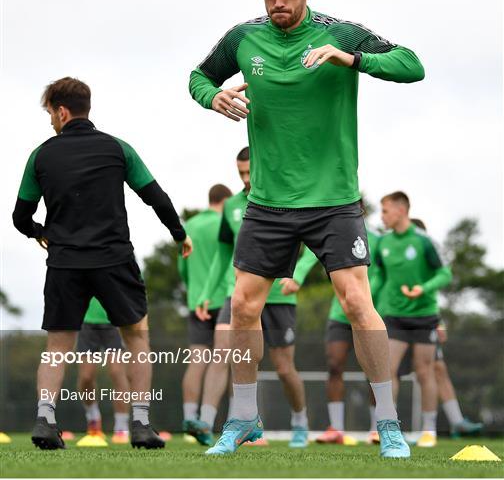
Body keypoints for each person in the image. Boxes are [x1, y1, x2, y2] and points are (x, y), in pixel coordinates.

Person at [189, 0, 424, 457]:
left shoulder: (339, 32)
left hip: (333, 199)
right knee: (243, 306)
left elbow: (412, 65)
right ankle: (244, 419)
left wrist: (352, 59)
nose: (277, 2)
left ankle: (388, 425)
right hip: (268, 203)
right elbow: (198, 77)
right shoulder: (243, 36)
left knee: (358, 302)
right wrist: (214, 97)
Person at [12, 77, 192, 450]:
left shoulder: (41, 155)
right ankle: (141, 424)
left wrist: (39, 232)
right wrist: (179, 234)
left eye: (49, 113)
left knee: (57, 346)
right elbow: (155, 197)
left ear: (62, 111)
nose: (50, 121)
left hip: (64, 262)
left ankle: (46, 420)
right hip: (114, 260)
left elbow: (19, 216)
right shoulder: (117, 148)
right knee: (136, 338)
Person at [193, 147, 318, 449]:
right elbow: (223, 255)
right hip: (238, 295)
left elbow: (315, 240)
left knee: (284, 367)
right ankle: (207, 423)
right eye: (241, 174)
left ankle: (300, 422)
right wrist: (206, 293)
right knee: (225, 353)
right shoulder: (233, 206)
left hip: (278, 296)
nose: (246, 179)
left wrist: (297, 274)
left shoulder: (289, 195)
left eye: (250, 172)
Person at [377, 192, 452, 448]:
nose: (382, 216)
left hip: (423, 316)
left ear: (401, 211)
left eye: (385, 211)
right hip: (394, 316)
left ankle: (429, 430)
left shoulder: (424, 241)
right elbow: (379, 277)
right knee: (388, 371)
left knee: (424, 371)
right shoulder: (383, 243)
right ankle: (389, 426)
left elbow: (445, 273)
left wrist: (424, 287)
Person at [409, 219, 483, 439]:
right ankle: (383, 427)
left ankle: (455, 422)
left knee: (437, 369)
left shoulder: (428, 261)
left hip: (425, 321)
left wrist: (439, 323)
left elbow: (433, 295)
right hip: (396, 321)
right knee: (398, 372)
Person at [316, 222, 383, 445]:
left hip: (369, 313)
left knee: (373, 368)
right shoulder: (335, 236)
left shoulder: (379, 241)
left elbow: (385, 275)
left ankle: (378, 428)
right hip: (340, 314)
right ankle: (336, 428)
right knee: (334, 365)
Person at [178, 184, 232, 442]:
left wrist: (195, 293)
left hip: (196, 301)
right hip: (224, 299)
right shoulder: (228, 222)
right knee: (230, 360)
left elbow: (183, 265)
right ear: (227, 200)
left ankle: (190, 420)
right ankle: (223, 421)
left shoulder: (191, 225)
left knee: (197, 360)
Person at [76, 297, 130, 444]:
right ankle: (93, 418)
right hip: (86, 322)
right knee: (86, 376)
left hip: (115, 323)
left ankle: (121, 426)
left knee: (116, 372)